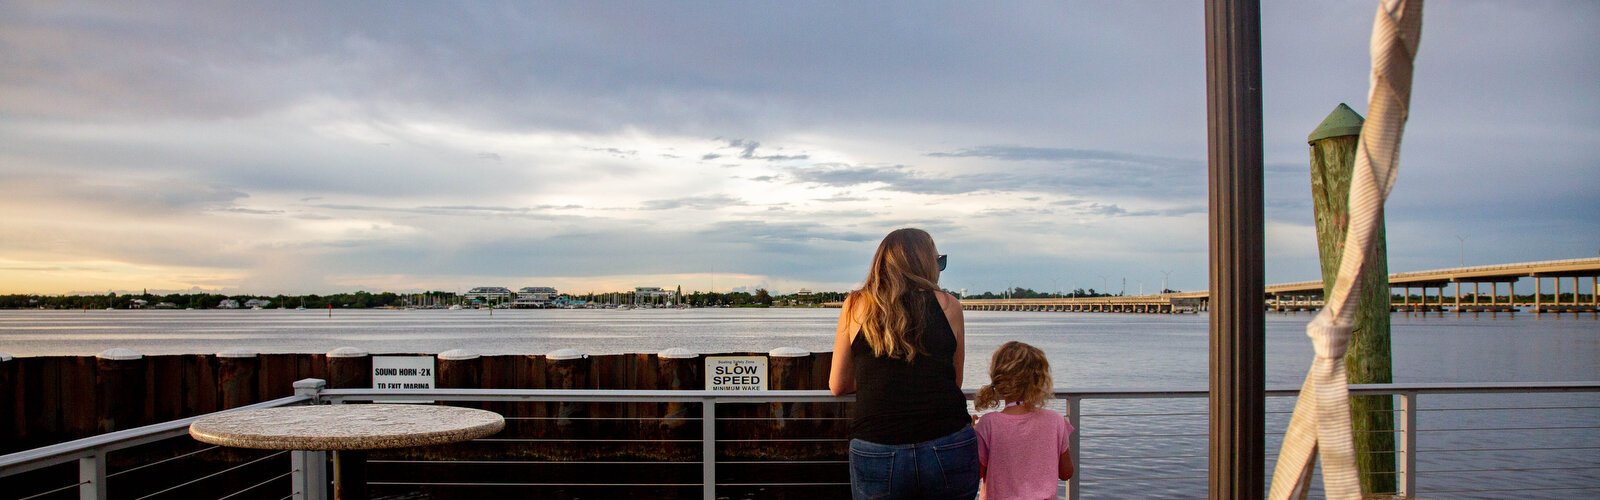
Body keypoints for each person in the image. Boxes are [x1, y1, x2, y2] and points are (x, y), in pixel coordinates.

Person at [829, 228, 977, 500]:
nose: (940, 268)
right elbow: (954, 381)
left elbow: (838, 385)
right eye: (938, 261)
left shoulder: (855, 305)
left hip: (877, 444)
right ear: (924, 264)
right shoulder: (949, 305)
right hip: (947, 440)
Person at [973, 341, 1075, 500]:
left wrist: (972, 435)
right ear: (1039, 381)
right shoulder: (1055, 421)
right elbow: (1066, 472)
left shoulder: (988, 424)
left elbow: (976, 473)